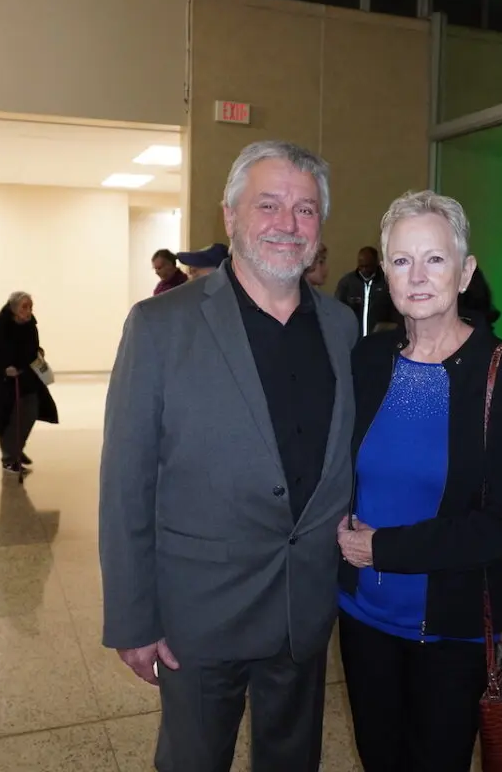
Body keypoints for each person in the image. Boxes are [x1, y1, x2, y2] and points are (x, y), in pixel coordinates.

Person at [99, 140, 357, 772]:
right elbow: (125, 482)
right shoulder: (161, 326)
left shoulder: (342, 327)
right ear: (231, 216)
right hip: (200, 612)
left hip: (304, 608)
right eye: (268, 205)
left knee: (293, 760)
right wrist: (133, 617)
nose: (287, 224)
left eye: (305, 210)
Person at [335, 190, 502, 771]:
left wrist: (381, 547)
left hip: (455, 630)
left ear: (466, 271)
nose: (419, 275)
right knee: (379, 757)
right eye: (402, 260)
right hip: (362, 619)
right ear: (385, 273)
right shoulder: (368, 360)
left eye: (435, 258)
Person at [0, 292, 59, 473]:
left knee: (30, 413)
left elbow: (31, 347)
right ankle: (9, 458)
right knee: (8, 420)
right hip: (4, 381)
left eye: (30, 307)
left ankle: (16, 450)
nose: (29, 311)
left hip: (27, 377)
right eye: (24, 306)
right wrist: (4, 368)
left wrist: (38, 351)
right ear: (13, 307)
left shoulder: (31, 325)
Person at [335, 245, 396, 337]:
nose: (364, 270)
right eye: (361, 266)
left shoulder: (387, 283)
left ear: (376, 263)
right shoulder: (347, 283)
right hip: (353, 341)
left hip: (380, 340)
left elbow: (397, 315)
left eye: (368, 266)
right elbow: (337, 311)